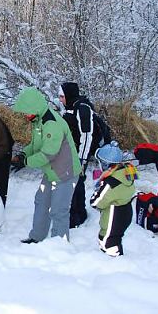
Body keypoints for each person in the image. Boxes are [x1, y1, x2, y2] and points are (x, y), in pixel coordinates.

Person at [12, 87, 81, 243]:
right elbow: (36, 144)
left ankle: (59, 246)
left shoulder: (51, 124)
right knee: (41, 202)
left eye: (26, 112)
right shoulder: (38, 121)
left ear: (35, 108)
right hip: (51, 173)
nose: (25, 116)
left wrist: (26, 162)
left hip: (65, 174)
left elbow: (48, 154)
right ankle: (37, 237)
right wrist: (24, 154)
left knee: (58, 210)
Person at [59, 82, 107, 229]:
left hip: (80, 153)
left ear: (69, 95)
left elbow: (86, 135)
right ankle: (79, 213)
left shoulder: (82, 108)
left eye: (62, 96)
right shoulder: (71, 108)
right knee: (77, 182)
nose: (60, 99)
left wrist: (82, 159)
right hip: (72, 152)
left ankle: (73, 218)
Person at [90, 142, 137, 256]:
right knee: (115, 237)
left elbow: (97, 202)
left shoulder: (111, 182)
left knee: (108, 242)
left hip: (113, 216)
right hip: (125, 210)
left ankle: (113, 263)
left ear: (106, 164)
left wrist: (95, 194)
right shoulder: (126, 173)